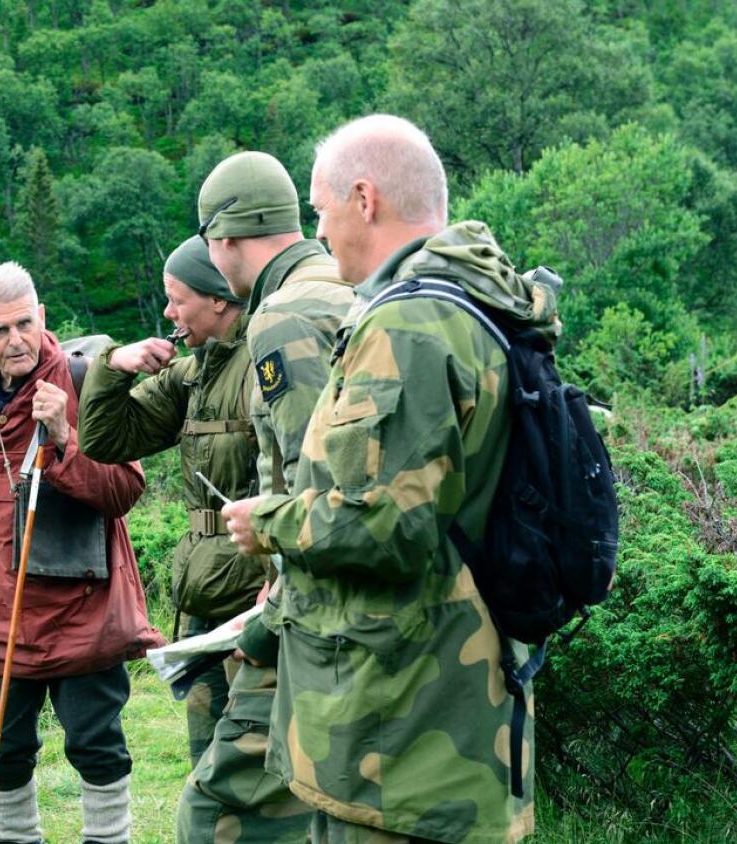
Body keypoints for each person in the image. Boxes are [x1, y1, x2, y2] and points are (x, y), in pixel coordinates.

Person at [221, 114, 557, 843]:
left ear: (364, 199)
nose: (320, 230)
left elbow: (388, 525)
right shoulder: (475, 307)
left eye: (320, 209)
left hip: (400, 737)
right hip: (448, 713)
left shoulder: (409, 326)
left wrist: (269, 522)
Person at [0, 261, 164, 844]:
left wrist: (66, 439)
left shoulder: (87, 379)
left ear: (42, 316)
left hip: (85, 606)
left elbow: (123, 492)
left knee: (97, 747)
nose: (15, 340)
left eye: (24, 324)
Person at [177, 150, 361, 843]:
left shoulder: (285, 316)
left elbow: (323, 482)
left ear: (224, 239)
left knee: (216, 816)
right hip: (344, 602)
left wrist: (271, 608)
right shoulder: (344, 289)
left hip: (314, 613)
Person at [77, 235, 265, 766]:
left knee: (249, 760)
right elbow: (106, 439)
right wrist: (114, 365)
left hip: (252, 590)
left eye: (177, 298)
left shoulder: (262, 361)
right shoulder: (193, 372)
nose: (168, 311)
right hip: (203, 595)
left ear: (219, 300)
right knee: (207, 760)